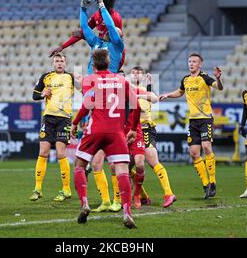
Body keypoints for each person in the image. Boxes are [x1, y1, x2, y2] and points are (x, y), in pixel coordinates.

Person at [70, 49, 140, 229]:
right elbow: (137, 106)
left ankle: (85, 203)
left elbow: (86, 106)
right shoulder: (122, 80)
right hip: (116, 133)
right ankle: (127, 213)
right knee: (122, 170)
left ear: (93, 66)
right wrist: (132, 128)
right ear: (110, 64)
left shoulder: (90, 80)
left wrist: (75, 122)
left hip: (94, 130)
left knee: (79, 165)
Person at [160, 53, 223, 199]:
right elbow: (180, 92)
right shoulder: (186, 79)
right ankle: (206, 185)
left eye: (194, 61)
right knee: (194, 153)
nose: (191, 64)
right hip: (193, 121)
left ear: (200, 64)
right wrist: (168, 95)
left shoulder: (205, 77)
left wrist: (219, 78)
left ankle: (213, 182)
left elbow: (218, 87)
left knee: (206, 147)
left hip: (206, 119)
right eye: (189, 61)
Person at [30, 53, 75, 202]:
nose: (59, 63)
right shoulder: (45, 77)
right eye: (57, 61)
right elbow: (34, 96)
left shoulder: (71, 77)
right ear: (53, 63)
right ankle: (37, 189)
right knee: (43, 152)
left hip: (64, 119)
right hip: (48, 118)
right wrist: (43, 93)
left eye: (62, 61)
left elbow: (86, 92)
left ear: (65, 63)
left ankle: (66, 189)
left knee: (61, 153)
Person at [131, 66, 176, 207]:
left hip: (145, 130)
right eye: (133, 73)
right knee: (126, 167)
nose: (135, 75)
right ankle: (143, 196)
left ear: (143, 77)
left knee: (152, 161)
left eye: (139, 73)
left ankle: (168, 193)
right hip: (131, 132)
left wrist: (139, 94)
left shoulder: (143, 92)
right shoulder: (129, 90)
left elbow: (152, 101)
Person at [50, 0, 126, 70]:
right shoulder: (97, 16)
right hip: (100, 46)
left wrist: (84, 36)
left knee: (110, 71)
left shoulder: (115, 18)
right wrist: (63, 46)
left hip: (113, 49)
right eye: (100, 8)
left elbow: (114, 38)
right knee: (95, 69)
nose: (101, 11)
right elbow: (84, 29)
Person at [79, 0, 124, 74]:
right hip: (91, 84)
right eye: (116, 29)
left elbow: (110, 26)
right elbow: (84, 26)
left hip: (107, 83)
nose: (116, 29)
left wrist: (101, 3)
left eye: (118, 31)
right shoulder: (96, 42)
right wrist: (83, 7)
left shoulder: (117, 45)